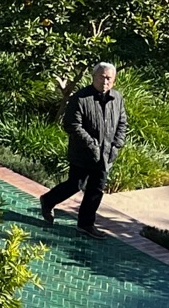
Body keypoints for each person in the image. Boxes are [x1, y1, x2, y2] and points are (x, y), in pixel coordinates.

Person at [41, 62, 129, 235]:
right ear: (93, 77)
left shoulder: (117, 98)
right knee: (76, 184)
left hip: (106, 154)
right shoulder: (80, 98)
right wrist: (91, 144)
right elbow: (72, 125)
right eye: (102, 77)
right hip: (83, 152)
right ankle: (48, 200)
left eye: (109, 78)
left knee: (96, 189)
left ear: (114, 80)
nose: (105, 81)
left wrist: (116, 145)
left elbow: (122, 123)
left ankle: (86, 224)